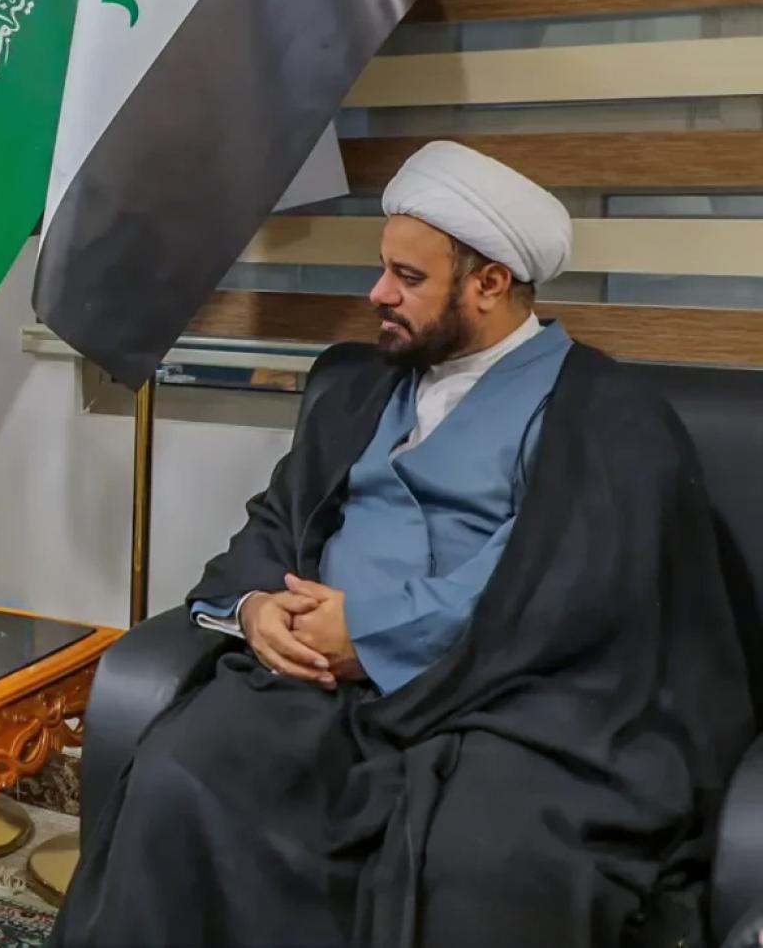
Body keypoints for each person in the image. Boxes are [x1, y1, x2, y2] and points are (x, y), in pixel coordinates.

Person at [48, 141, 753, 948]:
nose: (378, 292)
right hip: (319, 688)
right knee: (181, 772)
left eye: (407, 277)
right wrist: (256, 610)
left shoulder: (607, 414)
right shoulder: (359, 388)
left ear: (490, 284)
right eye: (384, 268)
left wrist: (371, 634)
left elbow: (552, 585)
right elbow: (278, 521)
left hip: (502, 699)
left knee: (482, 865)